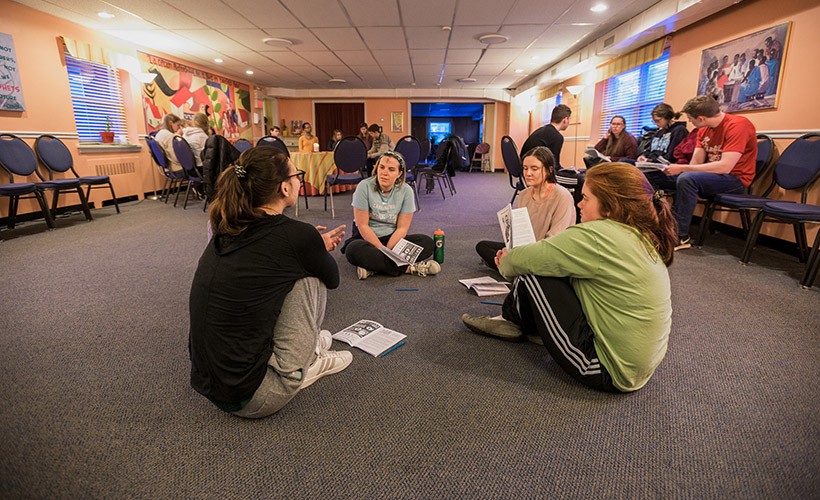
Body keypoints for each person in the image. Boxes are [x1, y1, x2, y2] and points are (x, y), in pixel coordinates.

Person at [462, 163, 676, 393]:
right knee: (551, 266)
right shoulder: (638, 232)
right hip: (638, 366)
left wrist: (505, 261)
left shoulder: (596, 235)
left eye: (585, 198)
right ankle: (523, 324)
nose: (579, 204)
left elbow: (519, 262)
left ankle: (511, 321)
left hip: (607, 369)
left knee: (532, 271)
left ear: (609, 208)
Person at [189, 148, 350, 419]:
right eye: (297, 175)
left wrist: (310, 248)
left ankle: (304, 349)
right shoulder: (296, 236)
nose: (300, 180)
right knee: (311, 276)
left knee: (288, 271)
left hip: (211, 386)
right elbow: (332, 278)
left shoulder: (225, 225)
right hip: (256, 396)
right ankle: (304, 363)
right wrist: (316, 250)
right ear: (284, 188)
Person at [656, 95, 757, 249]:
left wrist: (682, 169)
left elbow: (725, 167)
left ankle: (679, 235)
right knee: (655, 174)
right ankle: (652, 224)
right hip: (711, 177)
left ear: (701, 118)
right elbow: (695, 163)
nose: (690, 122)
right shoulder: (704, 130)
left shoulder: (738, 125)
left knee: (687, 179)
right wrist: (676, 170)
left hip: (735, 180)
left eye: (691, 118)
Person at [342, 151, 440, 280]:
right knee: (353, 250)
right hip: (367, 239)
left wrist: (388, 250)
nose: (384, 172)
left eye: (391, 169)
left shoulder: (406, 191)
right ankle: (409, 268)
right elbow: (363, 225)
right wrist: (383, 250)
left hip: (393, 240)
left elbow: (402, 228)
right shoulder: (364, 186)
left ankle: (374, 268)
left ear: (399, 174)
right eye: (381, 167)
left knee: (427, 243)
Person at [475, 146, 575, 270]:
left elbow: (555, 242)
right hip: (525, 247)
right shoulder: (524, 195)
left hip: (546, 252)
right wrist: (509, 249)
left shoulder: (562, 196)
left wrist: (519, 255)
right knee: (482, 246)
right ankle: (512, 268)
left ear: (549, 170)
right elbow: (518, 233)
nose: (528, 174)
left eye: (535, 169)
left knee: (510, 260)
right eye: (525, 168)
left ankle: (510, 268)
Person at [520, 104, 571, 169]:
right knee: (578, 177)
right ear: (565, 120)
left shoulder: (542, 130)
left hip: (524, 166)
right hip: (532, 169)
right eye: (569, 119)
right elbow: (554, 166)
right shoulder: (557, 137)